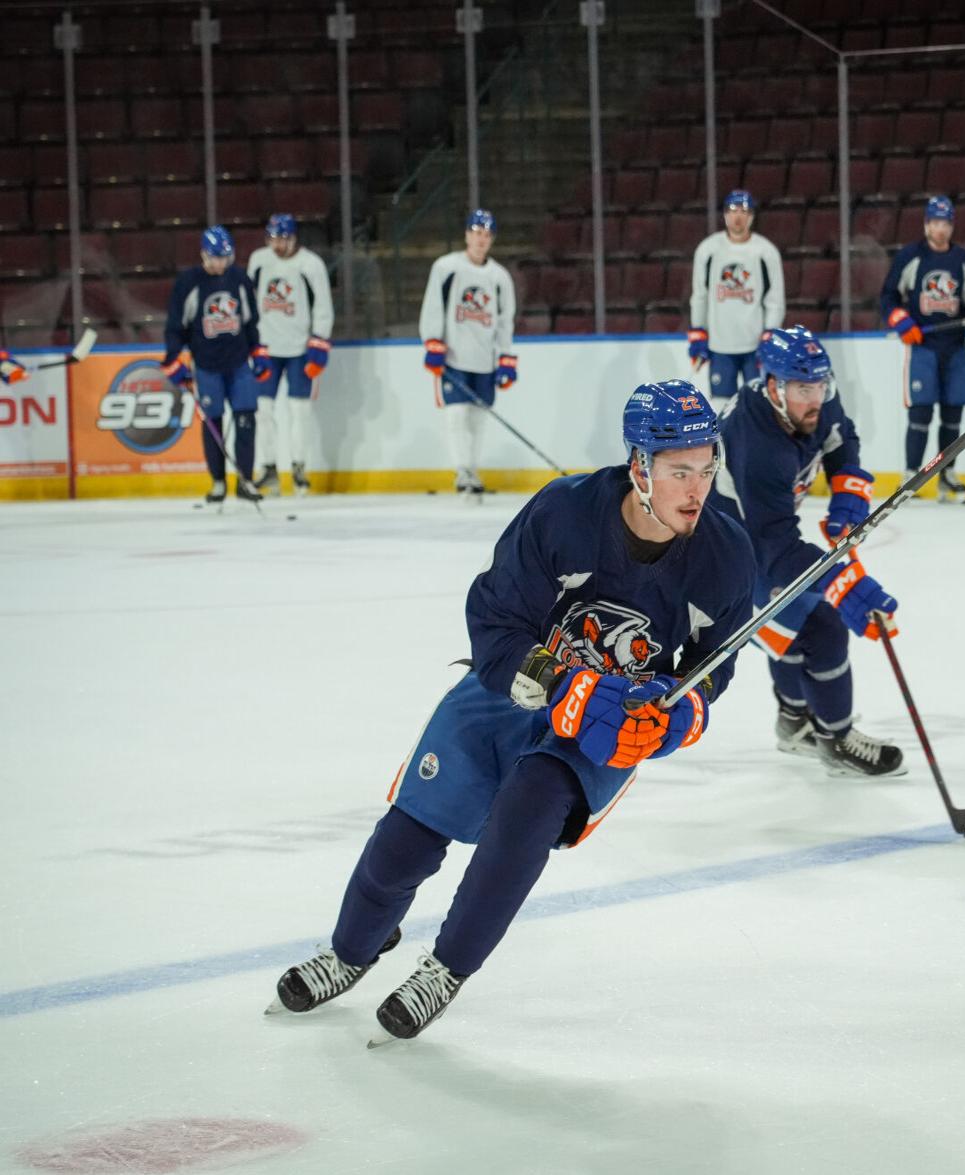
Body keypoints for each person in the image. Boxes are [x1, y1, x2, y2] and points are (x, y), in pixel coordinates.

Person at [269, 380, 755, 1043]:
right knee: (405, 840)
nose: (695, 488)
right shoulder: (565, 514)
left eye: (705, 467)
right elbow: (493, 625)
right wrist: (565, 689)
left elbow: (711, 667)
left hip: (604, 723)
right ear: (639, 466)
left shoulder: (724, 553)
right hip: (510, 692)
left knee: (527, 812)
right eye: (678, 471)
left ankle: (445, 967)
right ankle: (353, 948)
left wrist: (675, 715)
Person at [709, 325, 906, 778]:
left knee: (796, 629)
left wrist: (847, 493)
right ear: (773, 386)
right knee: (823, 624)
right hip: (725, 552)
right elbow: (774, 546)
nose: (815, 397)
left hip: (756, 538)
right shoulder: (757, 444)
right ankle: (835, 740)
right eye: (803, 389)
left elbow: (842, 436)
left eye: (821, 385)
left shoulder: (813, 396)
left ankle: (796, 722)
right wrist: (843, 582)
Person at [879, 195, 965, 506]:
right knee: (920, 413)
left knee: (952, 416)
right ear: (926, 224)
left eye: (945, 223)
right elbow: (888, 297)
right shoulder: (910, 256)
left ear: (952, 225)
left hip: (955, 346)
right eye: (935, 222)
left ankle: (947, 474)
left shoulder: (962, 260)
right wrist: (900, 319)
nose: (940, 229)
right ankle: (911, 475)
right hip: (922, 347)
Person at [161, 225, 271, 504]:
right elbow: (176, 327)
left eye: (225, 257)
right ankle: (219, 482)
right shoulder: (189, 283)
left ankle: (245, 480)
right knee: (214, 423)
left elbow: (250, 320)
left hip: (238, 364)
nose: (220, 263)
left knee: (246, 419)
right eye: (215, 258)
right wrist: (174, 359)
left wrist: (258, 349)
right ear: (203, 255)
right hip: (207, 366)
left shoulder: (239, 278)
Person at [419, 209, 517, 495]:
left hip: (484, 360)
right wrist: (433, 342)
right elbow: (433, 306)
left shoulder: (499, 277)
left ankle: (472, 471)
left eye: (486, 235)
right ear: (466, 235)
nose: (480, 239)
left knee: (478, 418)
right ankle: (462, 472)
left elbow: (504, 320)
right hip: (454, 358)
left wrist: (506, 357)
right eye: (476, 233)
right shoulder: (446, 268)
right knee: (456, 415)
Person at [246, 213, 334, 497]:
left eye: (283, 239)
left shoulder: (310, 265)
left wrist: (319, 343)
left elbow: (323, 305)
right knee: (263, 411)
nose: (278, 245)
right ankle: (269, 469)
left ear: (294, 238)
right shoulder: (259, 260)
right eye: (274, 238)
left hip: (299, 349)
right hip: (267, 349)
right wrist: (251, 341)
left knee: (300, 411)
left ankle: (298, 467)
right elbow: (248, 301)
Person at [688, 189, 784, 408]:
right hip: (720, 346)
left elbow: (775, 298)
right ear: (724, 214)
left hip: (755, 347)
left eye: (743, 211)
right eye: (732, 211)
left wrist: (770, 332)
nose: (737, 217)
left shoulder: (765, 252)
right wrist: (697, 332)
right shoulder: (708, 250)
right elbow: (700, 295)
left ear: (751, 216)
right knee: (723, 408)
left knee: (760, 406)